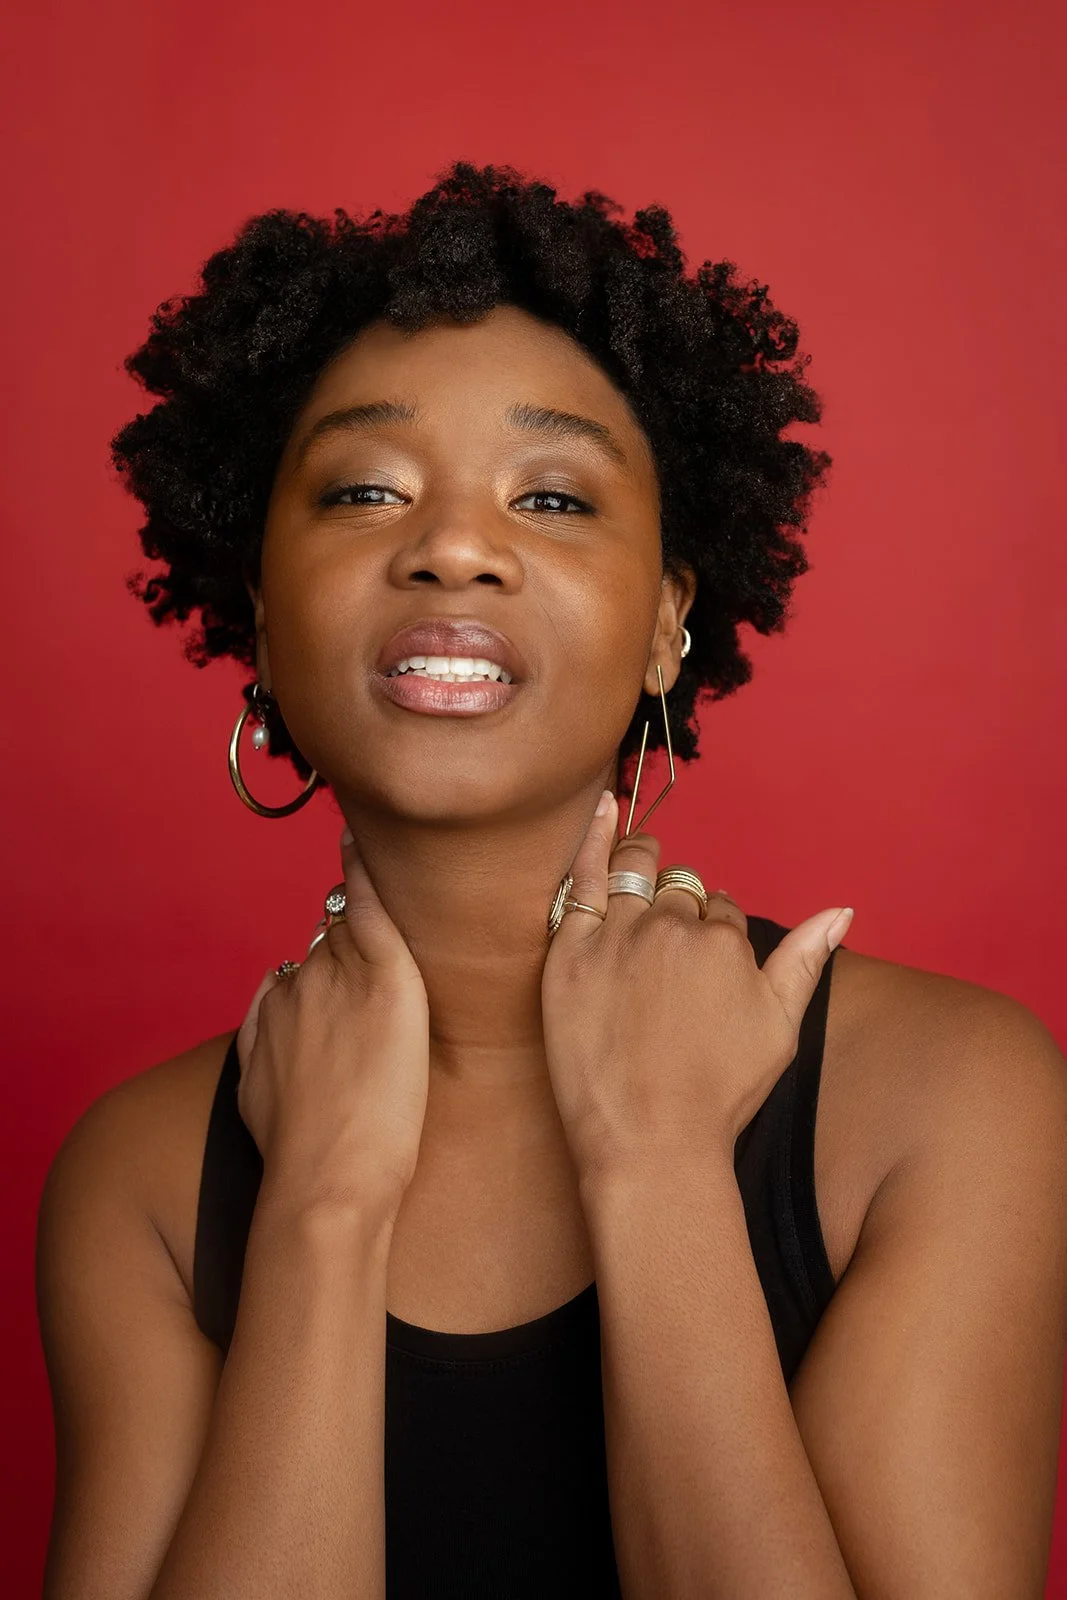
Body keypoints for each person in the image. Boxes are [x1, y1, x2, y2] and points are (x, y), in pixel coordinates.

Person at [36, 160, 1067, 1599]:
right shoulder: (144, 1181)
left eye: (553, 497)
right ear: (262, 616)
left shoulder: (942, 1098)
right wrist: (323, 1203)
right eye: (366, 487)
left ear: (665, 628)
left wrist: (651, 1160)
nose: (454, 547)